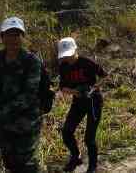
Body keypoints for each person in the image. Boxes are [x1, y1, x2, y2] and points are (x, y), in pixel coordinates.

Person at [0, 17, 43, 173]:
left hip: (26, 122)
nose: (13, 39)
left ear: (22, 37)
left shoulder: (32, 61)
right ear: (2, 37)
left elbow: (28, 97)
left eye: (17, 34)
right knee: (10, 163)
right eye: (9, 34)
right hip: (4, 124)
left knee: (26, 165)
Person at [58, 37, 108, 173]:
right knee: (67, 132)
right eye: (65, 55)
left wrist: (93, 88)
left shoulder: (88, 63)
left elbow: (105, 76)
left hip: (93, 102)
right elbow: (62, 87)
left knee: (89, 138)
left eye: (70, 54)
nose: (68, 58)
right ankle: (75, 156)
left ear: (75, 50)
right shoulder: (63, 66)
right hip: (78, 102)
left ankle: (93, 166)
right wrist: (74, 91)